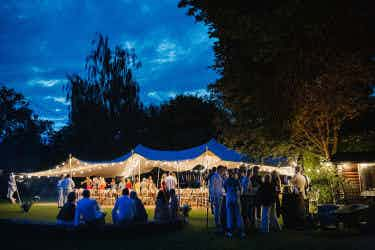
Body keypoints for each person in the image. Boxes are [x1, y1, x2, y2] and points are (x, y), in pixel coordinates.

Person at [223, 170, 245, 238]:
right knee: (238, 215)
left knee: (229, 215)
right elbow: (241, 190)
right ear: (233, 174)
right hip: (236, 198)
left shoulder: (226, 181)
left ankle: (230, 232)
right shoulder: (236, 181)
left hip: (229, 198)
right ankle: (241, 231)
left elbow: (225, 190)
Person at [209, 166, 224, 232]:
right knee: (217, 210)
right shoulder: (214, 176)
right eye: (222, 170)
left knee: (219, 210)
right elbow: (212, 187)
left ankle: (219, 222)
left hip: (219, 195)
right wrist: (213, 196)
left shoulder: (219, 176)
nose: (223, 171)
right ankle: (217, 223)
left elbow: (220, 186)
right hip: (216, 196)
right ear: (219, 170)